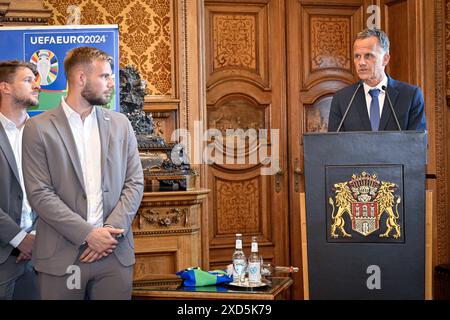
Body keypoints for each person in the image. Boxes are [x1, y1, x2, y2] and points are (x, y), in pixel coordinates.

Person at [22, 47, 144, 299]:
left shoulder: (121, 124)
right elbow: (40, 194)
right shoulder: (38, 128)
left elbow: (134, 182)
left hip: (114, 254)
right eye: (104, 76)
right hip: (61, 256)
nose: (111, 83)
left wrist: (108, 233)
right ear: (81, 78)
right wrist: (88, 234)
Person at [328, 28, 426, 132]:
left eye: (368, 56)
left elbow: (418, 144)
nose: (361, 62)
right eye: (357, 56)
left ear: (385, 59)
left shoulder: (410, 96)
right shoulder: (342, 99)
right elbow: (334, 145)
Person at [0, 61, 40, 299]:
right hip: (3, 255)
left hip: (41, 256)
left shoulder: (45, 131)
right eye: (27, 80)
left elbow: (57, 190)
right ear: (4, 87)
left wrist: (35, 238)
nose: (37, 85)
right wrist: (19, 239)